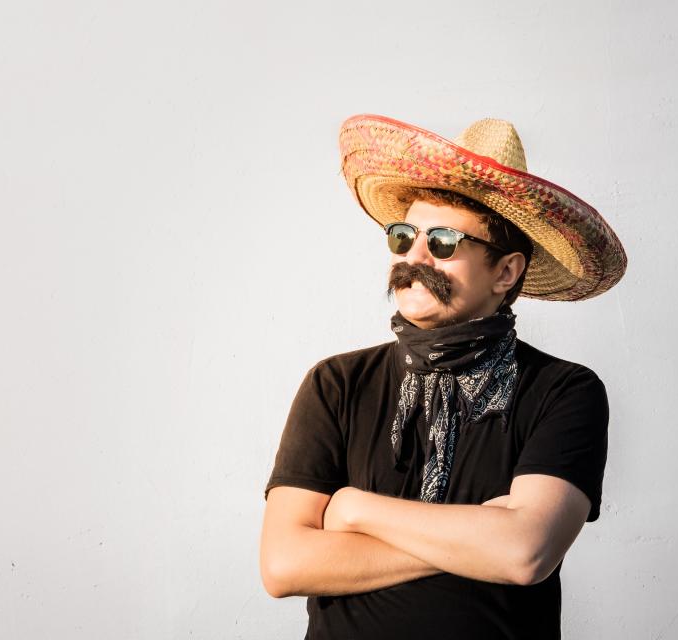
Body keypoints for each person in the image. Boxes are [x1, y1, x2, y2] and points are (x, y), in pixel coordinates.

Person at [259, 114, 627, 639]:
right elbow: (284, 565)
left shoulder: (563, 391)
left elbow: (525, 552)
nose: (415, 256)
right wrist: (480, 539)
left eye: (445, 242)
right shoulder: (336, 384)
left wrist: (353, 508)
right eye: (404, 236)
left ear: (505, 272)